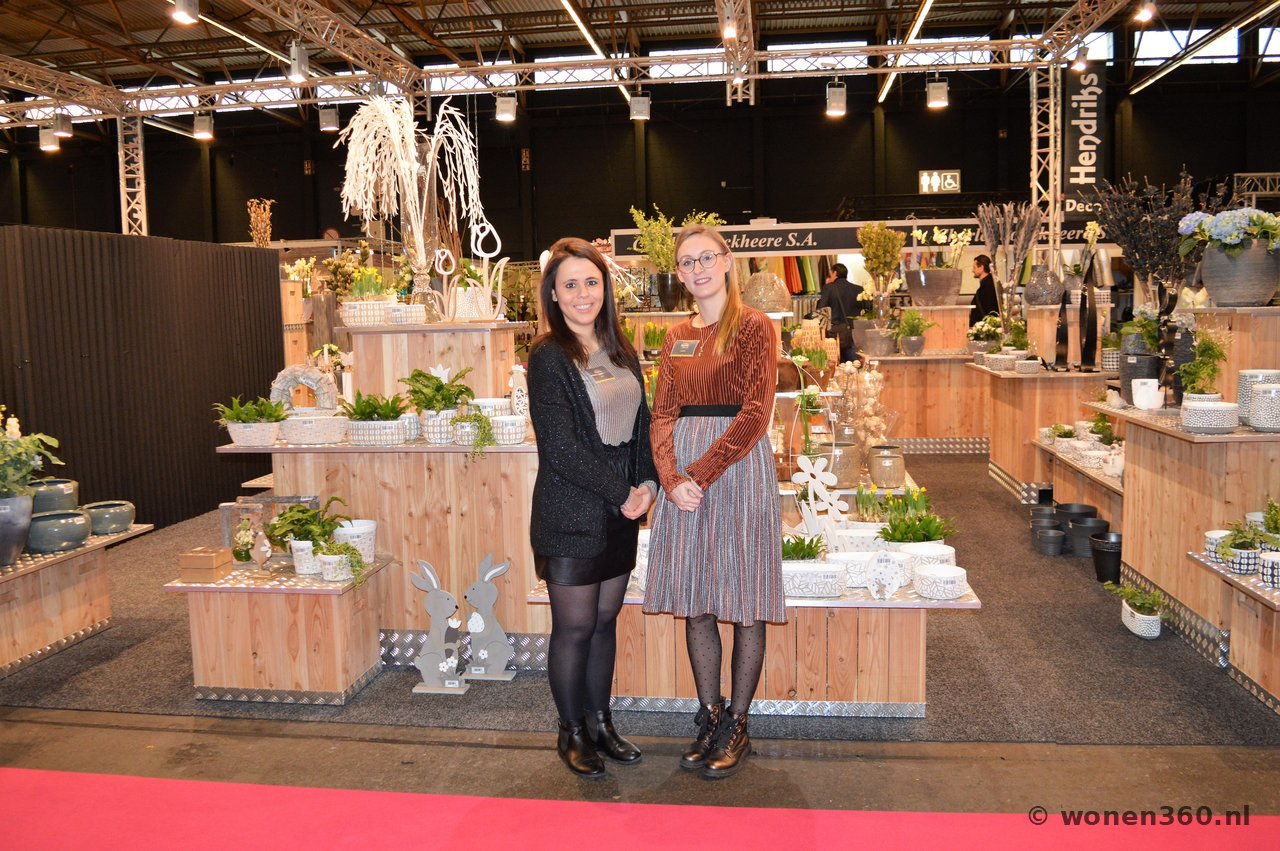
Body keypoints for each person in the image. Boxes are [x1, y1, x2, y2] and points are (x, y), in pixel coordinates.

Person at [643, 223, 784, 780]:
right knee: (697, 596)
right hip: (683, 481)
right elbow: (662, 413)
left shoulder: (754, 327)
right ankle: (710, 716)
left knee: (745, 597)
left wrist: (697, 474)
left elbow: (756, 412)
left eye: (707, 258)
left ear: (726, 262)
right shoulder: (675, 335)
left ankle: (739, 724)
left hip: (737, 470)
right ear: (679, 274)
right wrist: (670, 476)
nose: (698, 269)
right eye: (687, 262)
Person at [527, 237, 658, 779]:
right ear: (554, 295)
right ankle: (572, 731)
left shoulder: (620, 348)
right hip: (571, 513)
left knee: (605, 623)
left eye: (591, 282)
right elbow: (560, 448)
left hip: (619, 513)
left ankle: (601, 723)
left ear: (605, 288)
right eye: (570, 285)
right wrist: (624, 493)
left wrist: (647, 482)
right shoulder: (548, 357)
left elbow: (644, 424)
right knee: (575, 627)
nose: (583, 294)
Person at [816, 262, 863, 363]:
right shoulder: (858, 289)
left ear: (835, 273)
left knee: (835, 364)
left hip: (834, 335)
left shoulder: (829, 288)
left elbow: (821, 309)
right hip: (853, 335)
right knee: (855, 364)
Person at [969, 254, 999, 326]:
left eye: (974, 267)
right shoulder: (989, 283)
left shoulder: (988, 286)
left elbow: (990, 310)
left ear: (981, 267)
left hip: (986, 327)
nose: (972, 270)